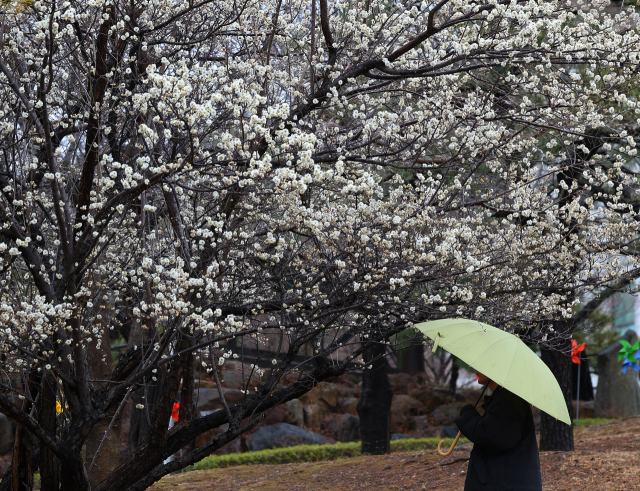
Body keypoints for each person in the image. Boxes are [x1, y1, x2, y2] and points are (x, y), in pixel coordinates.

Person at [455, 371, 542, 491]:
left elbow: (492, 436)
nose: (476, 369)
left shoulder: (509, 400)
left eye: (482, 365)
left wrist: (468, 415)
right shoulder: (503, 397)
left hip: (506, 483)